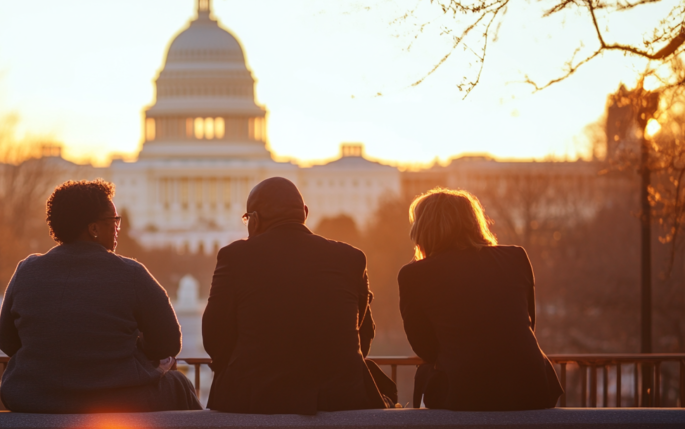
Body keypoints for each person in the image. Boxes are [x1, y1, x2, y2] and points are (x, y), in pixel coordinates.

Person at [0, 179, 201, 413]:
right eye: (113, 221)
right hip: (115, 399)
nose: (117, 228)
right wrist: (134, 350)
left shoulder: (27, 270)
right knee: (179, 385)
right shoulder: (131, 274)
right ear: (93, 228)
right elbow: (168, 343)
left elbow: (7, 341)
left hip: (33, 398)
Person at [202, 177, 388, 414]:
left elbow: (215, 337)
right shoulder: (350, 258)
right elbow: (363, 334)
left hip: (254, 400)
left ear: (255, 221)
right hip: (340, 400)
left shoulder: (235, 257)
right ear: (305, 213)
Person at [398, 188, 563, 411]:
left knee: (426, 374)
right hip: (533, 390)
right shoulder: (515, 257)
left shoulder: (415, 274)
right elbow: (528, 322)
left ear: (423, 230)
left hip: (465, 394)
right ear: (475, 222)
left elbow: (424, 347)